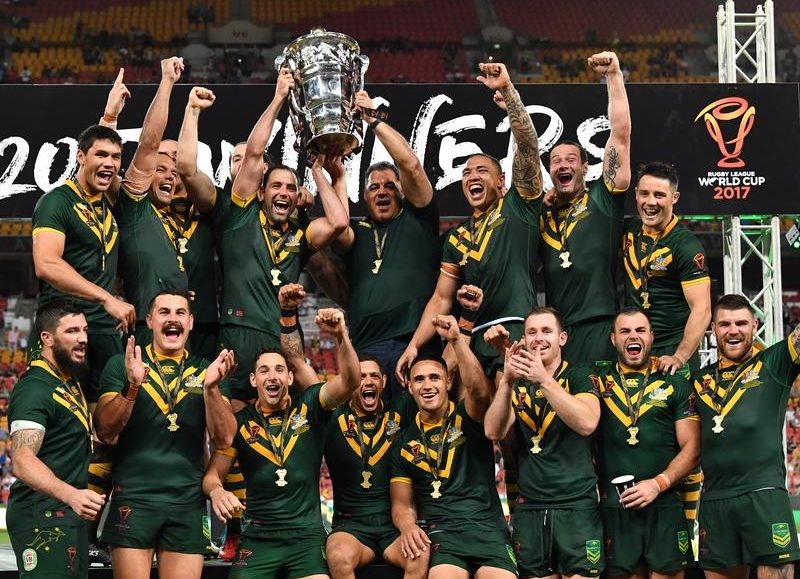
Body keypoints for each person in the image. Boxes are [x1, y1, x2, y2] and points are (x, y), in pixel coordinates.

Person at [396, 61, 544, 384]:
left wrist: (508, 92)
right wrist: (415, 344)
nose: (472, 176)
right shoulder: (457, 237)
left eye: (481, 171)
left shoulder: (518, 207)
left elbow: (528, 145)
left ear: (501, 181)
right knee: (471, 412)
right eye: (466, 173)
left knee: (508, 410)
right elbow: (441, 299)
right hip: (470, 336)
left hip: (514, 328)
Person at [202, 308, 359, 579]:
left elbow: (350, 380)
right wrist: (216, 491)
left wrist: (341, 337)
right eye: (263, 371)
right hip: (258, 540)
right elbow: (212, 475)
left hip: (306, 539)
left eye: (279, 369)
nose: (272, 376)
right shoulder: (240, 422)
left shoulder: (310, 405)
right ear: (254, 380)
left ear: (289, 377)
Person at [92, 289, 235, 578]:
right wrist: (132, 387)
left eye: (180, 312)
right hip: (134, 500)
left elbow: (224, 440)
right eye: (164, 312)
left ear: (191, 322)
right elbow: (104, 432)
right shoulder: (122, 365)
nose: (173, 319)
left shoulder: (209, 371)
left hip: (188, 503)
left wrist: (210, 389)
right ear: (149, 320)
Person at [331, 89, 440, 400]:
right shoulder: (356, 231)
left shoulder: (419, 217)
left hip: (416, 344)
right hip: (366, 348)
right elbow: (337, 226)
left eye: (390, 186)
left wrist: (373, 121)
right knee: (369, 426)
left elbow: (412, 166)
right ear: (364, 196)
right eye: (374, 187)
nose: (382, 192)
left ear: (402, 192)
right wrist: (337, 176)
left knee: (418, 424)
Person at [391, 316, 517, 579]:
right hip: (443, 533)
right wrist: (407, 526)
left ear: (448, 382)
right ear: (410, 388)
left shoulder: (468, 417)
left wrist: (457, 340)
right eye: (419, 380)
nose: (427, 386)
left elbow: (478, 390)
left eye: (435, 378)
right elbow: (402, 505)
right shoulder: (403, 443)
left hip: (487, 528)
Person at [484, 307, 603, 579]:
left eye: (546, 331)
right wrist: (506, 382)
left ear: (562, 338)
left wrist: (544, 380)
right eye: (532, 332)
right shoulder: (517, 383)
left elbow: (587, 422)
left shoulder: (580, 375)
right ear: (524, 339)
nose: (538, 338)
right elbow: (492, 430)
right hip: (531, 508)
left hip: (576, 506)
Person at [689, 294, 800, 579]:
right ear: (713, 328)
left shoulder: (773, 362)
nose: (733, 330)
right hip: (714, 500)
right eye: (725, 324)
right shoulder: (698, 381)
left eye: (741, 323)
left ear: (754, 326)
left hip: (764, 495)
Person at [592, 308, 700, 579]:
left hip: (664, 506)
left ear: (652, 336)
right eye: (625, 331)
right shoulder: (595, 381)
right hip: (615, 509)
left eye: (640, 330)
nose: (633, 336)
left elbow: (693, 449)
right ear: (613, 339)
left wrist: (657, 484)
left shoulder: (676, 383)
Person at [31, 123, 134, 401]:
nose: (110, 163)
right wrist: (106, 298)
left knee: (109, 418)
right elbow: (46, 263)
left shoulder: (107, 205)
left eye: (115, 157)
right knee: (61, 414)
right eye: (101, 154)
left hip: (104, 329)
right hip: (63, 325)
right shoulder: (56, 202)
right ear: (80, 156)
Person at [540, 51, 631, 364]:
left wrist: (614, 76)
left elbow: (620, 136)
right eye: (556, 161)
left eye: (570, 160)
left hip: (598, 325)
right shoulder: (543, 215)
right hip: (555, 333)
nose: (563, 165)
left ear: (585, 167)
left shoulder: (603, 200)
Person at [8, 301, 105, 578]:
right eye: (72, 331)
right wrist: (72, 495)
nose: (83, 338)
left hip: (66, 515)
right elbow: (22, 461)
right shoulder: (35, 387)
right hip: (43, 516)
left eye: (84, 330)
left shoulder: (68, 382)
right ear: (47, 338)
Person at [114, 57, 199, 347]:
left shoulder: (174, 219)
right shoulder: (134, 206)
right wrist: (167, 82)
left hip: (178, 334)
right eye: (160, 169)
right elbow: (149, 144)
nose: (169, 176)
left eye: (174, 173)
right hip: (144, 332)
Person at [323, 354, 425, 579]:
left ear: (384, 381)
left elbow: (438, 376)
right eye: (360, 377)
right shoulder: (332, 417)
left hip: (395, 527)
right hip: (351, 527)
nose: (368, 381)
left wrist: (456, 337)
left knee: (420, 555)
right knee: (338, 557)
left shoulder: (400, 411)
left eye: (374, 376)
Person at [621, 162, 711, 376]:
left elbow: (702, 309)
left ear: (675, 198)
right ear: (636, 194)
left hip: (672, 349)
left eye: (659, 195)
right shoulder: (628, 230)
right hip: (635, 347)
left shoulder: (686, 245)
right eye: (644, 193)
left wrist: (679, 357)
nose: (650, 202)